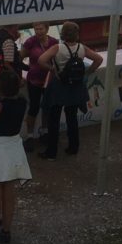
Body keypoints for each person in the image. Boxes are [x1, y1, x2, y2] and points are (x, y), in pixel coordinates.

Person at [38, 22, 103, 160]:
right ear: (77, 34)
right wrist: (87, 73)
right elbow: (99, 59)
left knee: (53, 119)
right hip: (75, 86)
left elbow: (41, 60)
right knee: (72, 117)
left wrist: (53, 69)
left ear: (63, 33)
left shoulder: (57, 48)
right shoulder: (82, 48)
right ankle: (73, 147)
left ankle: (51, 152)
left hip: (59, 85)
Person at [0, 71, 32, 244]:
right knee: (9, 194)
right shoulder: (22, 102)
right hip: (13, 150)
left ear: (1, 87)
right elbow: (21, 82)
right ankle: (6, 231)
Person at [19, 22, 58, 153]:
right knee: (34, 108)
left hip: (49, 80)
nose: (38, 31)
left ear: (47, 29)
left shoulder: (54, 42)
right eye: (36, 29)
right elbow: (19, 58)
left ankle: (44, 132)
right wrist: (28, 69)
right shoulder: (30, 42)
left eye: (41, 29)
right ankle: (29, 136)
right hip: (34, 81)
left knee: (47, 106)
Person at [0, 25, 24, 97]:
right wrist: (18, 78)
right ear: (14, 27)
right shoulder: (8, 40)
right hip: (6, 81)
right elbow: (7, 64)